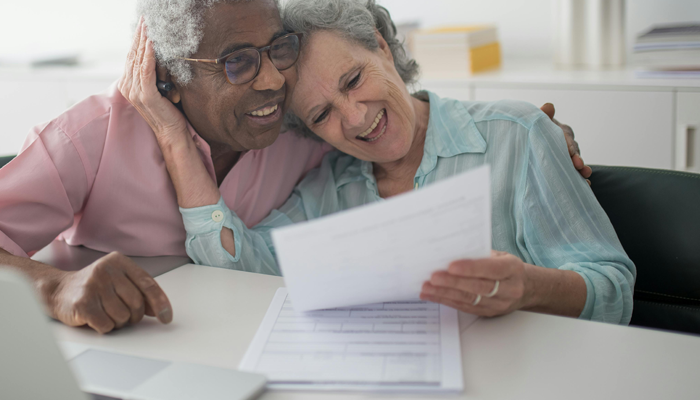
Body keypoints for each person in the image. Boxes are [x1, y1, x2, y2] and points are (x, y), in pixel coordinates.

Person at [0, 0, 587, 334]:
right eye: (237, 63)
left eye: (276, 51)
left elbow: (398, 125)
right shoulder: (91, 137)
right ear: (169, 79)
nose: (273, 80)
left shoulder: (299, 132)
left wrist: (529, 129)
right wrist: (54, 286)